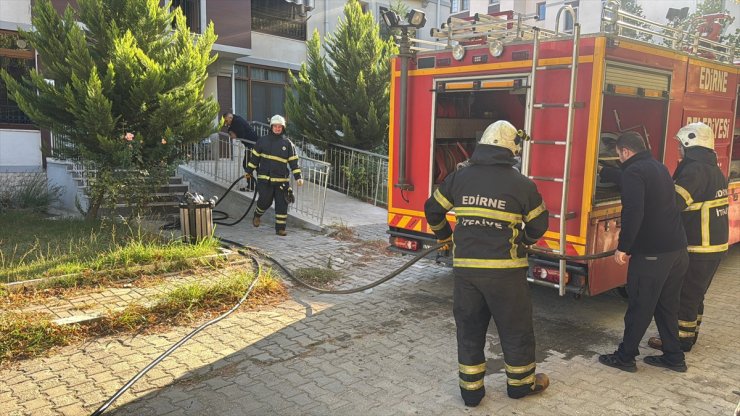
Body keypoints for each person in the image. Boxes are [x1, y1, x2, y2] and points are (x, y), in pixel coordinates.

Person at [424, 120, 550, 407]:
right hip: (506, 273)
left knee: (469, 330)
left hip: (467, 272)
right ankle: (519, 387)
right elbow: (539, 224)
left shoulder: (460, 178)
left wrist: (446, 237)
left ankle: (471, 394)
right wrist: (525, 241)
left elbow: (433, 209)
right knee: (515, 329)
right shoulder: (522, 184)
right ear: (510, 149)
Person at [597, 131, 689, 373]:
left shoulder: (634, 172)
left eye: (618, 155)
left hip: (652, 254)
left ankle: (625, 357)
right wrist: (607, 173)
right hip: (677, 251)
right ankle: (674, 357)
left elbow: (633, 211)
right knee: (666, 305)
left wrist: (624, 247)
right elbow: (636, 181)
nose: (618, 159)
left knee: (640, 305)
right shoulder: (657, 166)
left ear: (625, 152)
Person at [647, 122, 729, 352]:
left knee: (685, 294)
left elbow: (675, 203)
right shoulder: (713, 168)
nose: (679, 150)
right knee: (696, 293)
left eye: (680, 145)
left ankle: (679, 340)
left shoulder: (694, 170)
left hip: (699, 246)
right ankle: (690, 334)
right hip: (713, 245)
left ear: (690, 144)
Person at [246, 115, 303, 236]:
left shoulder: (288, 144)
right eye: (275, 126)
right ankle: (257, 215)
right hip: (265, 179)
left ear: (283, 128)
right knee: (265, 201)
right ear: (271, 127)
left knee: (282, 204)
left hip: (281, 181)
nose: (277, 128)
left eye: (279, 126)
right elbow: (254, 158)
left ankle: (280, 229)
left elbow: (294, 162)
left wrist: (298, 177)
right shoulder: (262, 141)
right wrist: (249, 171)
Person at [223, 111, 260, 187]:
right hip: (251, 144)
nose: (226, 123)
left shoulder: (237, 121)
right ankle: (255, 184)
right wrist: (231, 131)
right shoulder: (235, 121)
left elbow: (241, 134)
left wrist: (234, 135)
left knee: (247, 165)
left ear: (230, 117)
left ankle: (251, 185)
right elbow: (229, 129)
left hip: (252, 144)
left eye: (226, 121)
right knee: (252, 165)